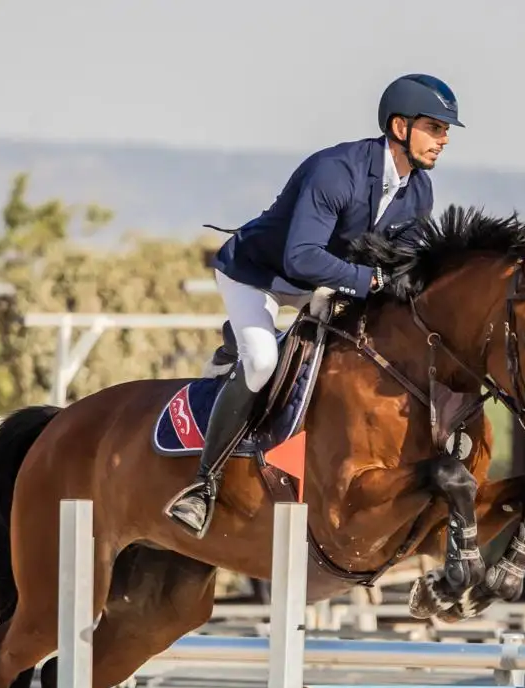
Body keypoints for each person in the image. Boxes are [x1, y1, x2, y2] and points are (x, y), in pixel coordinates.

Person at [163, 73, 463, 537]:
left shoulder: (418, 190)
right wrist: (371, 280)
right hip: (258, 275)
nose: (442, 140)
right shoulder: (337, 171)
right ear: (400, 126)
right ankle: (204, 485)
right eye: (435, 127)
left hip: (322, 283)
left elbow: (401, 265)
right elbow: (300, 255)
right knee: (263, 361)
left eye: (445, 131)